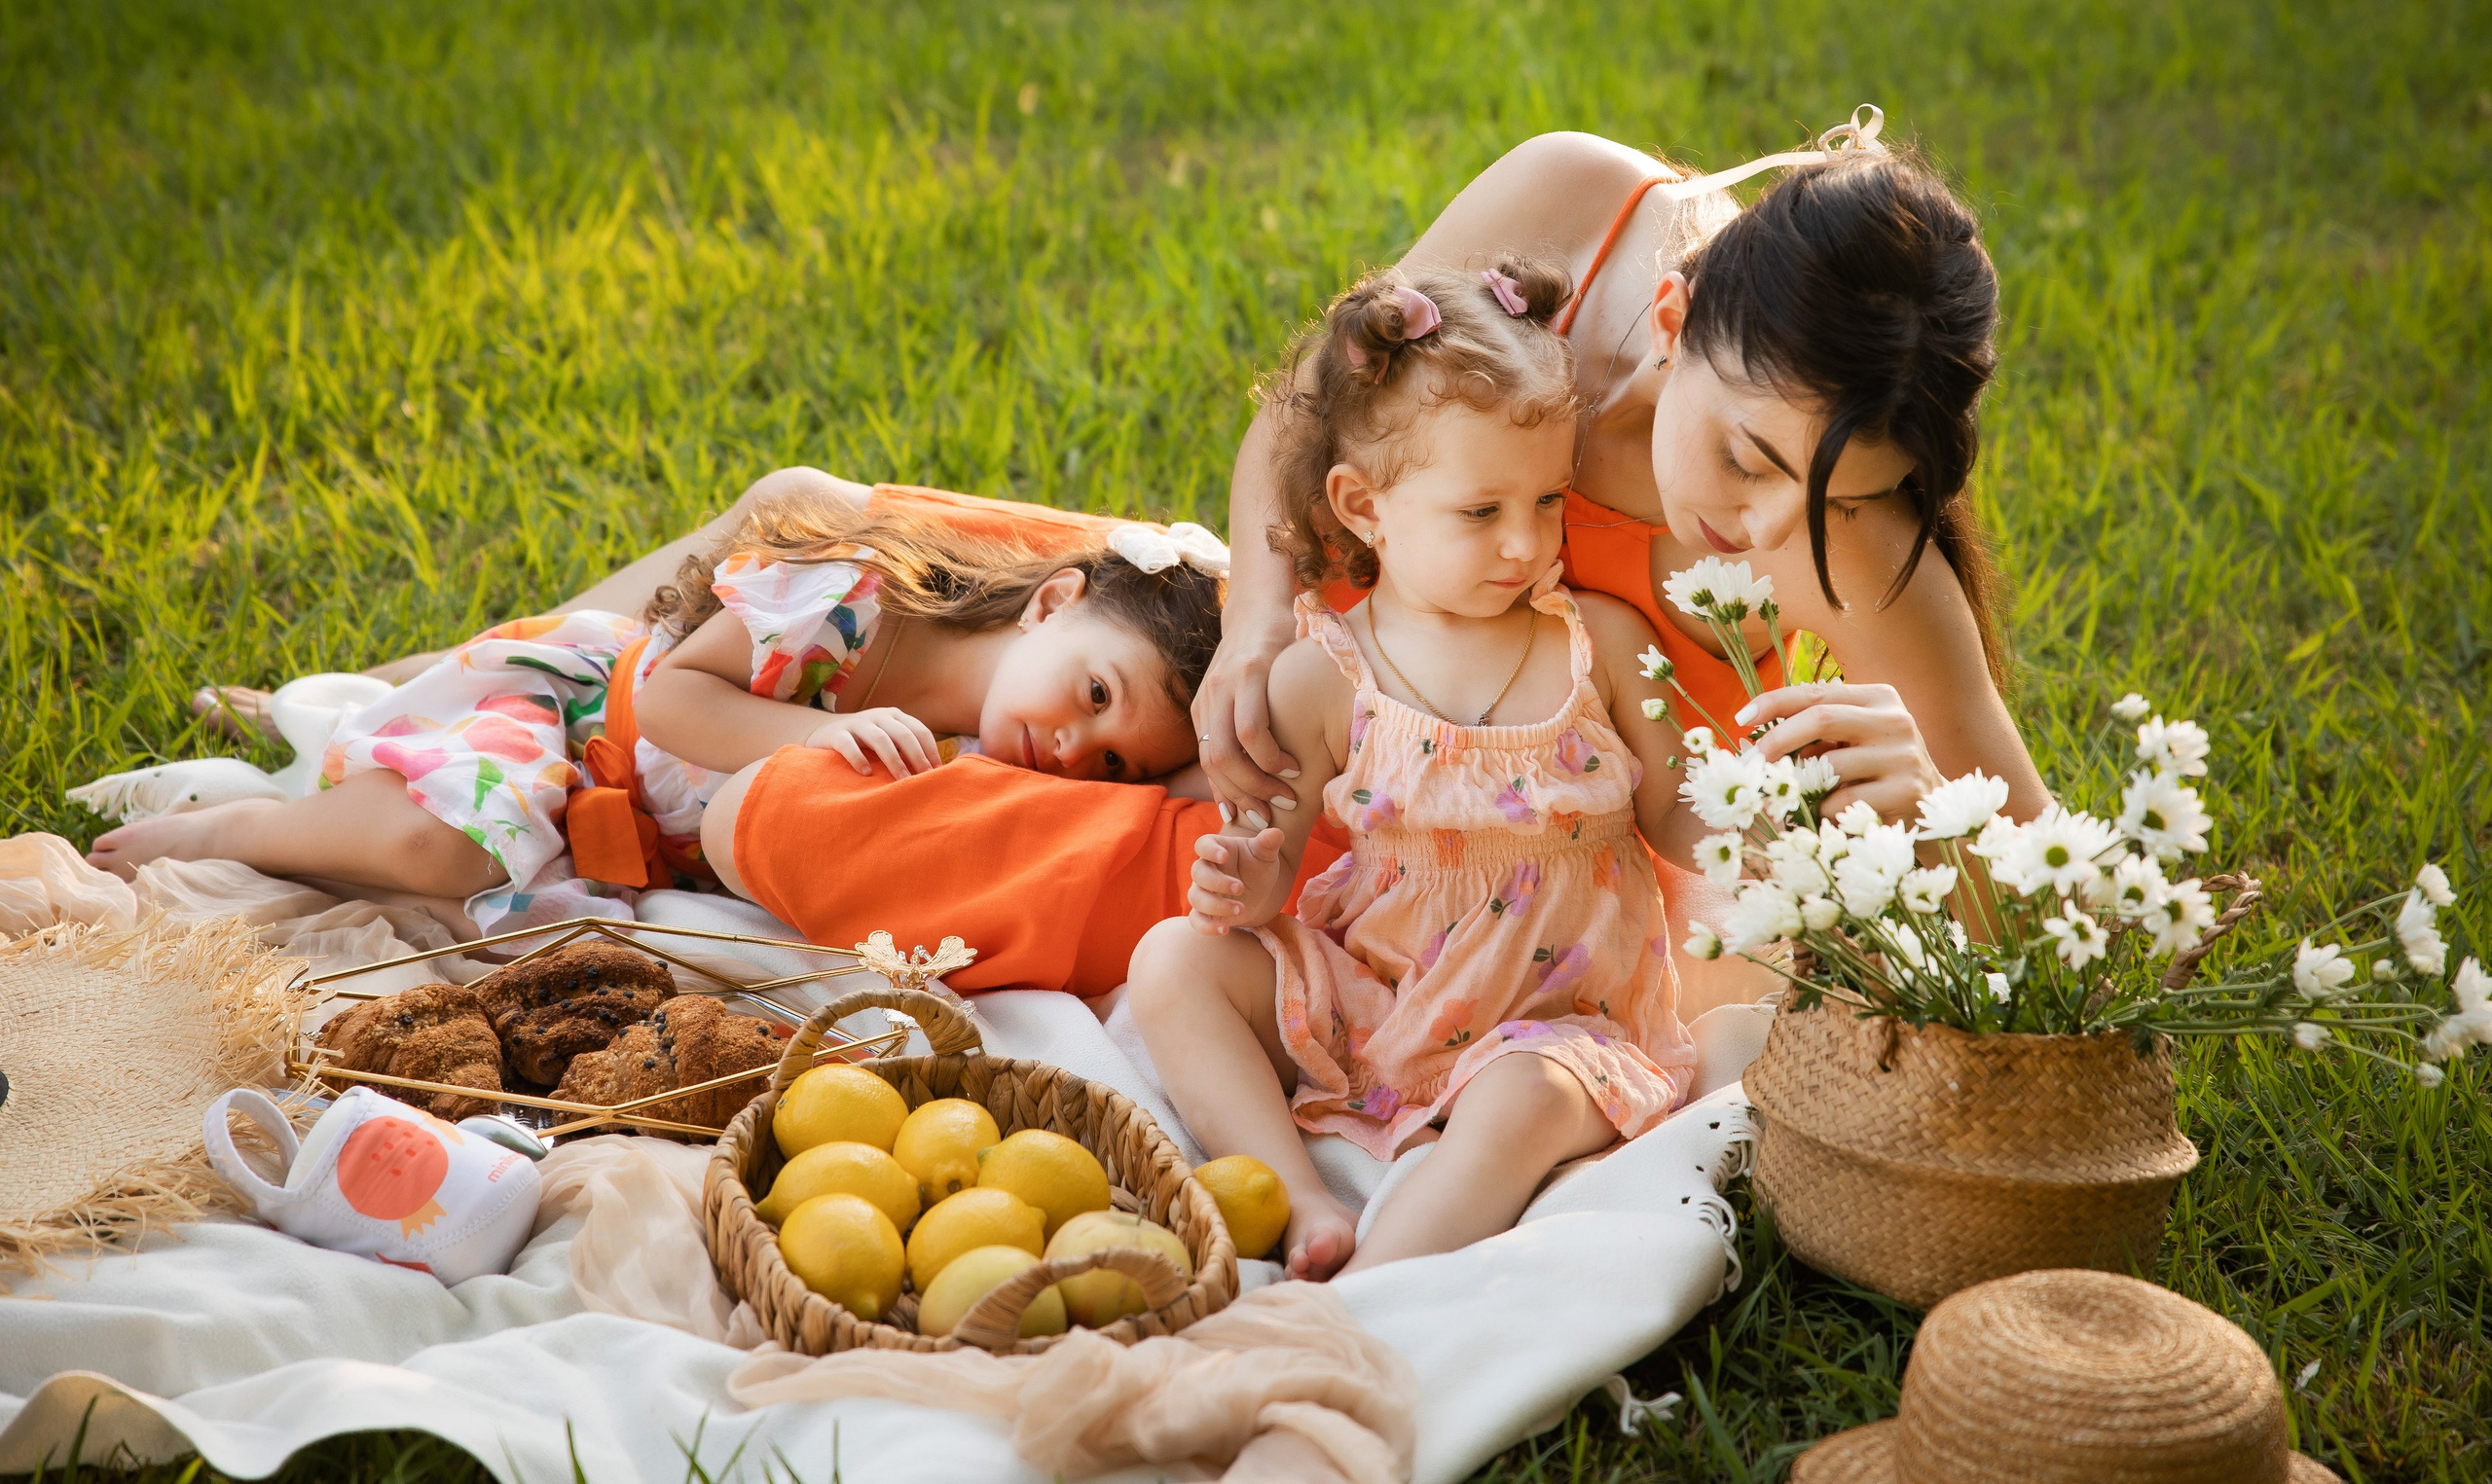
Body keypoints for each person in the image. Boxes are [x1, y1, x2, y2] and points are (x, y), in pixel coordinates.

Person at [197, 113, 2051, 1007]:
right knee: (853, 544)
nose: (1754, 520)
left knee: (981, 818)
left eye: (1824, 492)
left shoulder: (1849, 549)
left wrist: (1915, 819)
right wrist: (1250, 627)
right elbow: (1305, 419)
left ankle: (603, 767)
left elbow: (2042, 900)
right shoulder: (1584, 209)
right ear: (1684, 304)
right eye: (1737, 453)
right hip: (1301, 633)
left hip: (1460, 806)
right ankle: (496, 687)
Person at [1128, 259, 1706, 1279]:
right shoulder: (1322, 676)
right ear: (1363, 506)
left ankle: (1368, 1289)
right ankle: (1297, 1196)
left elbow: (1679, 825)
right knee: (1170, 962)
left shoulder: (1598, 645)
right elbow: (1279, 867)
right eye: (1481, 512)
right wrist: (1245, 881)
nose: (1525, 542)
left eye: (1547, 500)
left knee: (1527, 1097)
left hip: (1558, 1022)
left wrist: (1769, 830)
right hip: (1379, 1001)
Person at [95, 503, 1227, 959]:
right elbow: (676, 699)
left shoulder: (996, 760)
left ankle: (318, 792)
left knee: (500, 926)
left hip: (630, 828)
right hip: (581, 715)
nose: (1078, 752)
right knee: (441, 849)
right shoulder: (854, 606)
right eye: (1092, 697)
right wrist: (814, 737)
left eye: (1115, 759)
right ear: (1051, 604)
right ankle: (239, 826)